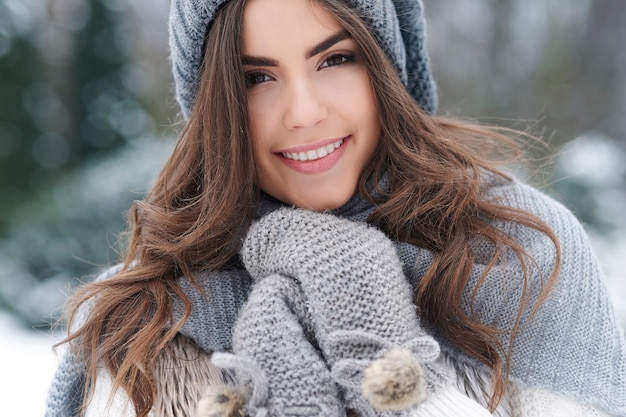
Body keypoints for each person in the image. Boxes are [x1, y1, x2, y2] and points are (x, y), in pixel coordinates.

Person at [44, 0, 626, 416]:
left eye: (334, 60)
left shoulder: (517, 251)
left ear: (385, 70)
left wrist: (386, 361)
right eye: (255, 77)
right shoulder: (147, 324)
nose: (302, 113)